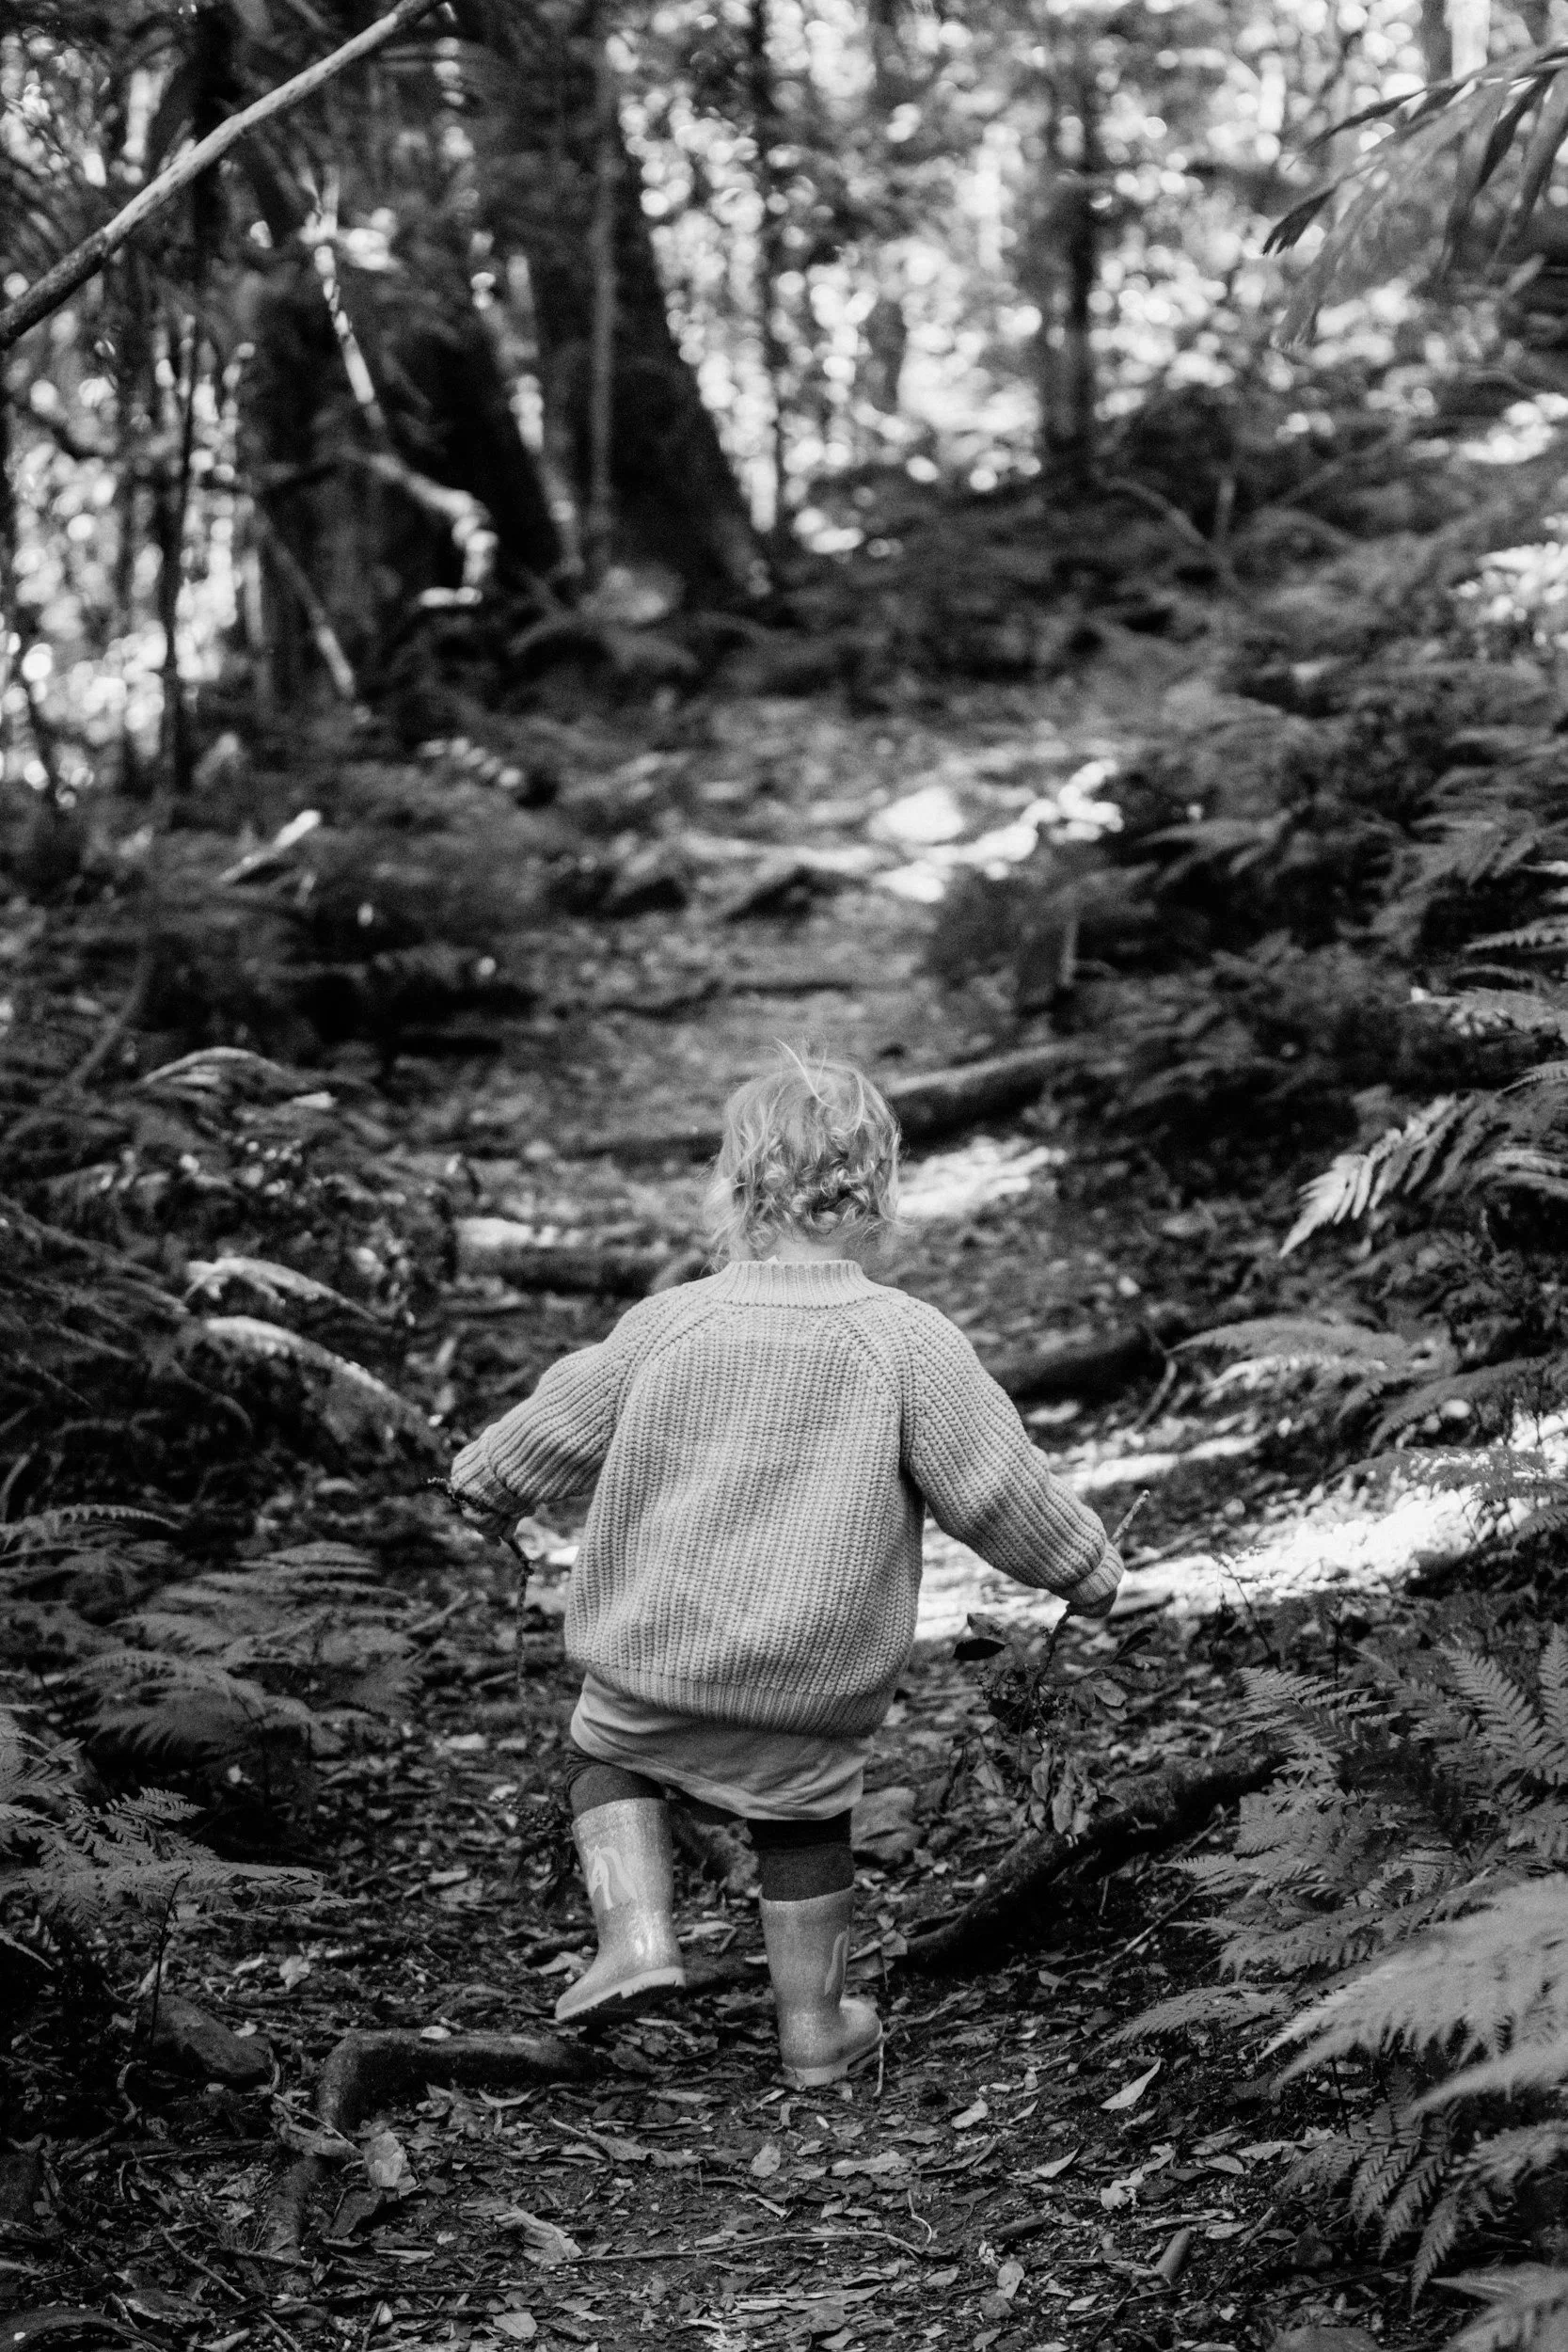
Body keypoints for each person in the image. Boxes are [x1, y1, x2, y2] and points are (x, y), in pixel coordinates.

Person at [449, 1048, 1122, 2087]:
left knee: (605, 1755)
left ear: (736, 1187)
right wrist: (1081, 1563)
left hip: (650, 1657)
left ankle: (635, 1939)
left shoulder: (671, 1321)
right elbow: (995, 1487)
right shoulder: (905, 1340)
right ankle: (812, 2028)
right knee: (803, 1819)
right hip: (810, 1681)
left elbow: (557, 1424)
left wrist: (486, 1480)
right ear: (880, 1192)